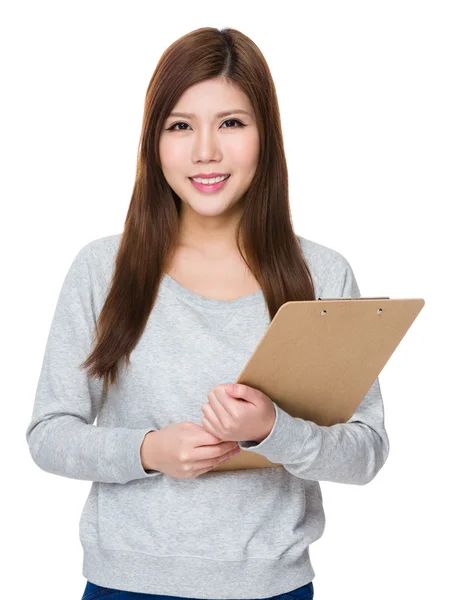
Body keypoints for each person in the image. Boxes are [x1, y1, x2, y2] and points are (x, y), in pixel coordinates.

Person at [25, 26, 390, 600]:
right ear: (154, 141)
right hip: (126, 583)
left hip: (272, 588)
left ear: (265, 135)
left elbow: (366, 453)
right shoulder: (104, 269)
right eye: (180, 125)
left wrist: (274, 431)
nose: (205, 152)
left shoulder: (321, 275)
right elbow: (48, 434)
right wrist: (148, 451)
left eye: (232, 123)